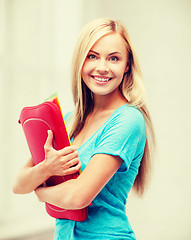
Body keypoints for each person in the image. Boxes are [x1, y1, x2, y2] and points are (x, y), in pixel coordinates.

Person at [13, 18, 156, 239]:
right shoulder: (69, 120)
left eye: (114, 58)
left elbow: (80, 196)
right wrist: (46, 169)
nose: (102, 67)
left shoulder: (128, 120)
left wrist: (40, 192)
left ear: (127, 66)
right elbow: (19, 184)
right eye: (92, 56)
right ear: (81, 61)